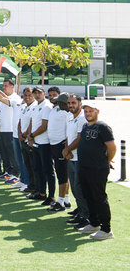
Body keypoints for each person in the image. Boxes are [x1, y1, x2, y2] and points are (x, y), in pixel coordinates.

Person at [75, 101, 116, 240]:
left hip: (97, 169)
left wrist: (106, 161)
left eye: (91, 111)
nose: (88, 114)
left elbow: (112, 147)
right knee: (88, 196)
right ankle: (94, 223)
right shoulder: (85, 126)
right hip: (84, 167)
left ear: (97, 111)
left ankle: (106, 229)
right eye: (86, 111)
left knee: (99, 198)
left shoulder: (103, 127)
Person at [62, 94, 89, 228]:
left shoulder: (82, 118)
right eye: (69, 103)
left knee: (80, 189)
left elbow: (79, 138)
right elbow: (68, 136)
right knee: (74, 187)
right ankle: (80, 211)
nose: (71, 105)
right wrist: (67, 150)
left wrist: (67, 150)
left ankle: (86, 216)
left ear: (80, 103)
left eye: (73, 103)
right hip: (71, 157)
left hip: (79, 158)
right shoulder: (69, 116)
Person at [26, 86, 56, 205]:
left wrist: (32, 135)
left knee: (48, 170)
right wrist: (31, 137)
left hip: (45, 143)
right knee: (38, 169)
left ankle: (51, 196)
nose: (37, 95)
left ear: (44, 93)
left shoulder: (46, 106)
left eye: (39, 93)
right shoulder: (36, 106)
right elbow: (32, 122)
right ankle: (42, 193)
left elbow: (44, 126)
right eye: (35, 93)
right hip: (37, 142)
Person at [46, 92, 74, 212]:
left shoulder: (68, 114)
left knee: (62, 175)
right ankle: (66, 200)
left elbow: (69, 131)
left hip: (61, 146)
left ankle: (60, 202)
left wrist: (66, 147)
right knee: (62, 173)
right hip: (55, 145)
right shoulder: (58, 110)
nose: (56, 102)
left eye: (59, 102)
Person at [0, 78, 21, 182]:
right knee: (4, 153)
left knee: (12, 154)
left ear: (12, 87)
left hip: (10, 130)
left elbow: (0, 97)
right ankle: (7, 172)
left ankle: (15, 174)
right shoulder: (5, 98)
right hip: (3, 129)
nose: (4, 88)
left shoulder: (15, 98)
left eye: (6, 86)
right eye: (3, 86)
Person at [17, 87, 37, 193]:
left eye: (30, 95)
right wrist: (19, 133)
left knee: (34, 166)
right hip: (23, 139)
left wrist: (25, 134)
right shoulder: (25, 107)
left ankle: (36, 187)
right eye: (25, 95)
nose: (27, 97)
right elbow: (20, 122)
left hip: (29, 140)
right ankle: (31, 185)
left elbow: (31, 122)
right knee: (28, 165)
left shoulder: (34, 106)